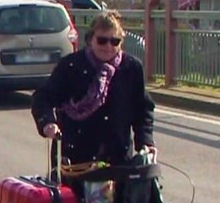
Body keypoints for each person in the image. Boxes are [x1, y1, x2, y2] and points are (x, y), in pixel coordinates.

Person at [30, 9, 156, 166]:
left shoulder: (132, 68)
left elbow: (143, 109)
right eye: (102, 40)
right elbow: (42, 97)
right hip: (75, 157)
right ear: (90, 39)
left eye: (115, 41)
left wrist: (146, 141)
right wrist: (47, 123)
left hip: (118, 158)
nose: (108, 46)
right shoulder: (71, 65)